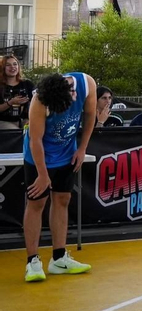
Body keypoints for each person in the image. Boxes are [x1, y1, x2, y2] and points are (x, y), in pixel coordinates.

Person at [21, 72, 96, 282]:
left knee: (63, 199)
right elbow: (35, 141)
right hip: (39, 156)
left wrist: (82, 148)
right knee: (36, 203)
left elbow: (90, 116)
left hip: (66, 152)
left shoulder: (87, 84)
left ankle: (59, 258)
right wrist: (43, 175)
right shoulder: (39, 100)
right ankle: (32, 261)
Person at [0, 53, 34, 130]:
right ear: (2, 68)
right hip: (3, 121)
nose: (13, 67)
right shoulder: (1, 86)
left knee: (31, 129)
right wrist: (11, 102)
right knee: (15, 131)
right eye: (8, 65)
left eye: (15, 64)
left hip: (24, 120)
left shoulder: (27, 84)